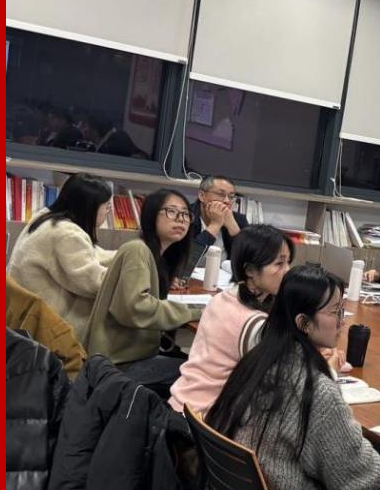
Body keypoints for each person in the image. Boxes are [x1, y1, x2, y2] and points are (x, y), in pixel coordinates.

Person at [206, 264, 380, 490]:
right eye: (335, 312)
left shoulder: (257, 360)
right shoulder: (315, 389)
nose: (342, 320)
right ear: (303, 323)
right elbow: (351, 472)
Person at [81, 189, 202, 393]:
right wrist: (193, 311)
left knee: (196, 365)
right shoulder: (137, 250)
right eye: (172, 211)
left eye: (185, 214)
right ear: (151, 215)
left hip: (129, 356)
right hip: (115, 364)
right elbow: (135, 308)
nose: (181, 219)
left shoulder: (156, 256)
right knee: (202, 376)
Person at [169, 225, 294, 414]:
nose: (288, 271)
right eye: (279, 264)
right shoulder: (254, 323)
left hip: (182, 403)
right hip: (206, 418)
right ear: (250, 270)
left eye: (288, 263)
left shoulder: (223, 297)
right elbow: (288, 376)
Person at [8, 172, 116, 339]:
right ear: (89, 207)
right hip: (44, 328)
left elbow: (90, 253)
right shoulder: (66, 235)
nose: (108, 211)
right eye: (107, 206)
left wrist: (123, 257)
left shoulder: (47, 218)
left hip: (22, 319)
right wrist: (133, 273)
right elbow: (96, 283)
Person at [190, 174, 248, 263]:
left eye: (231, 197)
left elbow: (248, 259)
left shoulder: (239, 220)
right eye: (220, 194)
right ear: (202, 196)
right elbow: (189, 259)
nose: (227, 201)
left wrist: (233, 228)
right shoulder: (186, 216)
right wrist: (215, 225)